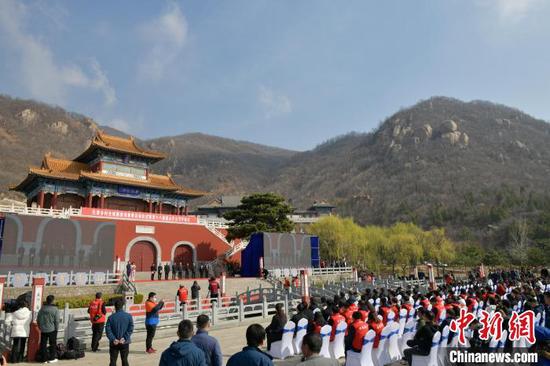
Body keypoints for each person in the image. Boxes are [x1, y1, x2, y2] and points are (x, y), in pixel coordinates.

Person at [106, 299, 134, 366]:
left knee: (113, 360)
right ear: (123, 306)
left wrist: (113, 339)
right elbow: (130, 328)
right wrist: (124, 338)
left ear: (115, 307)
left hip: (114, 343)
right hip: (125, 342)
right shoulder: (129, 316)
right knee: (124, 360)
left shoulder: (110, 317)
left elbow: (108, 330)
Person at [6, 299, 31, 363]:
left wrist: (11, 325)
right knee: (23, 345)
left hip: (16, 330)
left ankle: (14, 360)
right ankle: (20, 359)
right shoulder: (29, 313)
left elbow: (7, 321)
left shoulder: (14, 313)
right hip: (25, 331)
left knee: (15, 345)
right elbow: (30, 321)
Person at [37, 295, 59, 363]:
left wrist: (40, 327)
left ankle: (44, 359)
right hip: (52, 329)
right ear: (52, 301)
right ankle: (52, 358)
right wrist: (56, 329)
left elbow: (38, 319)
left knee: (43, 344)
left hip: (43, 329)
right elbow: (57, 320)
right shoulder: (55, 309)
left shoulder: (42, 309)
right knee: (52, 344)